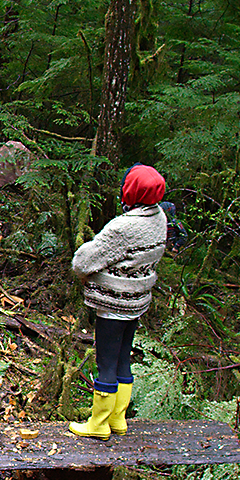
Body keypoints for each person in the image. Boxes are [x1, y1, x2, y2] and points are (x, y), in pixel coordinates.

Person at [67, 164, 168, 440]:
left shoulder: (125, 226)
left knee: (106, 362)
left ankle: (98, 424)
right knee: (124, 358)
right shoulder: (159, 218)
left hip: (114, 304)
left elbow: (83, 262)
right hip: (137, 301)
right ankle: (118, 419)